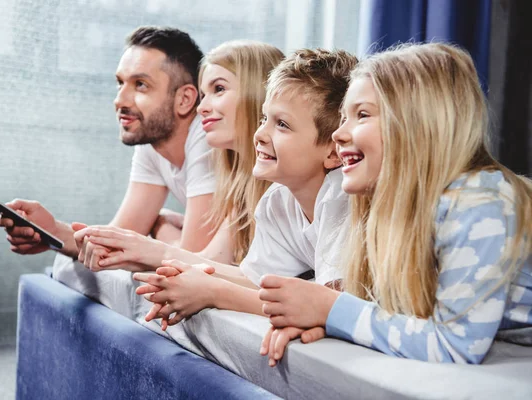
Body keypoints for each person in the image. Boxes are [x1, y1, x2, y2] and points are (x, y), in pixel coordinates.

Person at [258, 42, 532, 365]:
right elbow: (397, 312)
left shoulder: (480, 201)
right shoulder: (391, 210)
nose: (339, 133)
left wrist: (330, 309)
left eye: (361, 115)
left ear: (415, 123)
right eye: (343, 117)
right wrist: (328, 321)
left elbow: (456, 344)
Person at [131, 49, 358, 329]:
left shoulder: (342, 198)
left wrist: (212, 292)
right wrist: (188, 274)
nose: (260, 134)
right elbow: (254, 278)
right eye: (264, 119)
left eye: (282, 125)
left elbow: (326, 304)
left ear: (334, 153)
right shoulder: (278, 199)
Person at [0, 27, 222, 272]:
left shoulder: (207, 139)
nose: (120, 100)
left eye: (141, 85)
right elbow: (119, 237)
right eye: (120, 83)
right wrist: (51, 230)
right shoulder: (152, 144)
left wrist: (159, 227)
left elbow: (191, 263)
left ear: (185, 99)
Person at [73, 40, 285, 270]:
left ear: (257, 93)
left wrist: (157, 232)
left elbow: (209, 267)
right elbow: (211, 262)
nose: (201, 107)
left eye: (219, 89)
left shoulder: (283, 186)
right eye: (204, 94)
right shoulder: (244, 185)